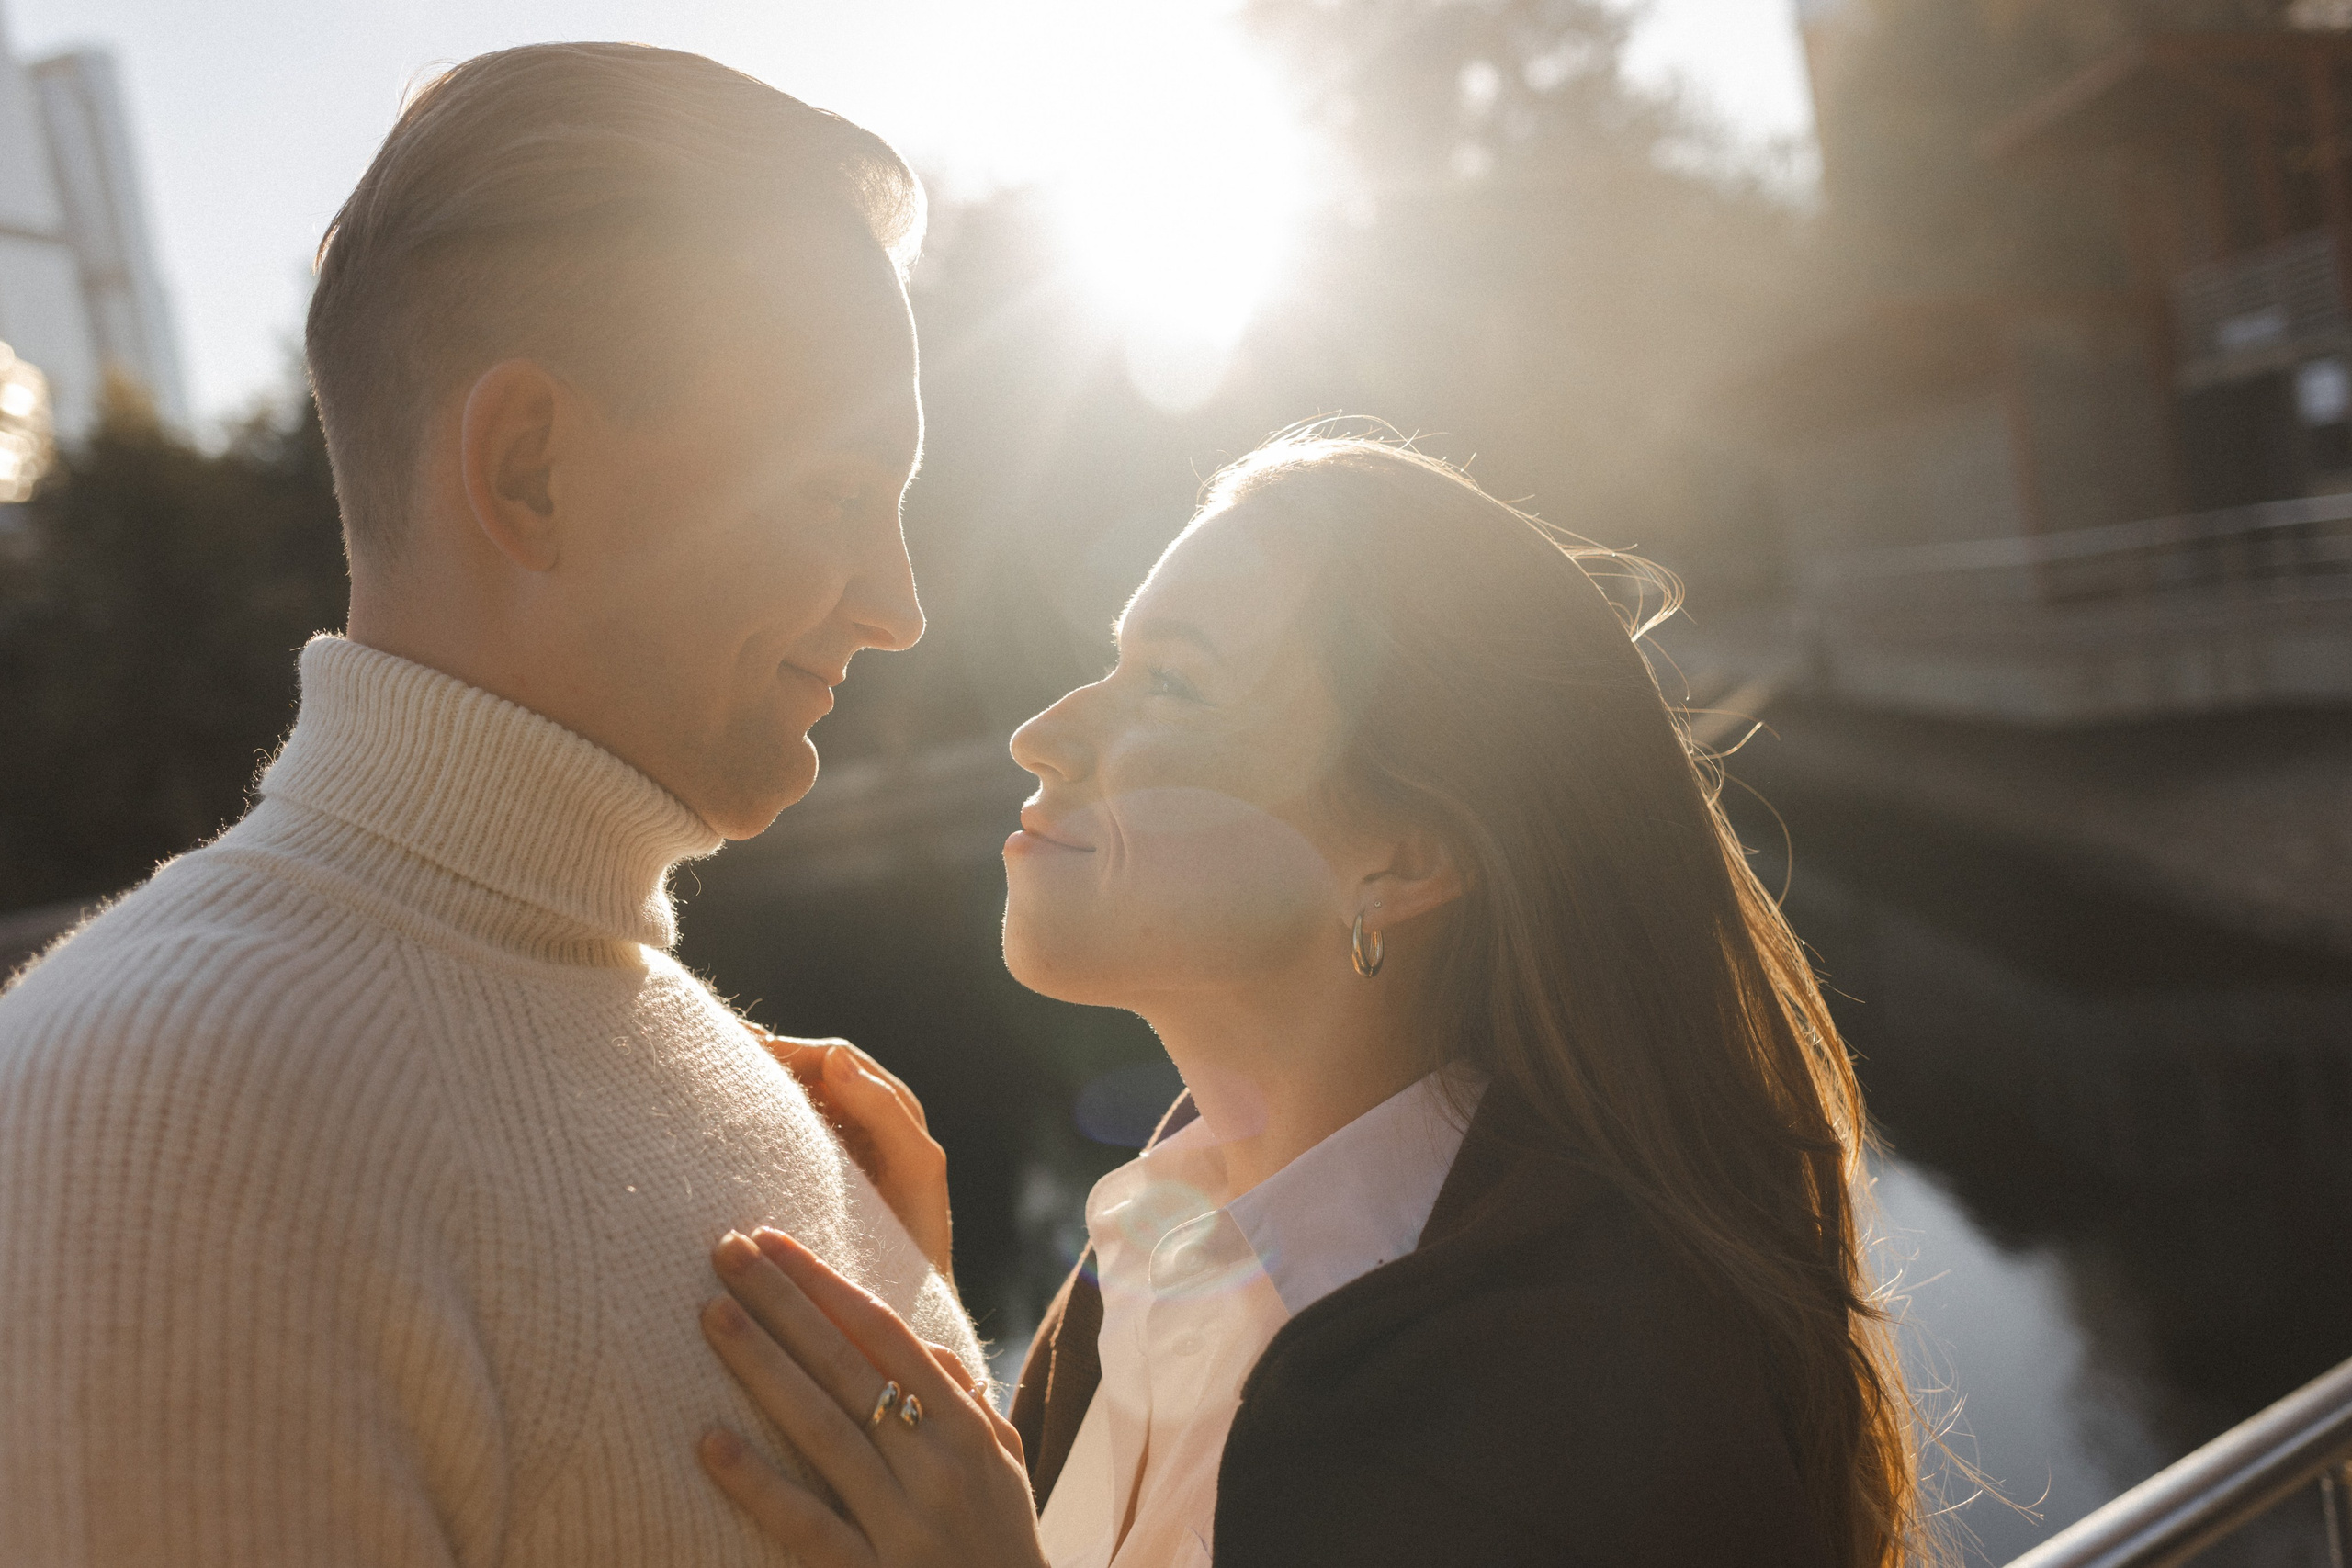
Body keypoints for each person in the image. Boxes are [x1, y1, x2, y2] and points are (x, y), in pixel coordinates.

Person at [0, 43, 982, 1565]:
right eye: (836, 492)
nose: (898, 606)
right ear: (529, 468)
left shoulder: (752, 1101)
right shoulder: (163, 1120)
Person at [685, 433, 1932, 1567]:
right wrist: (928, 1333)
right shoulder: (1159, 1251)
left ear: (1400, 857)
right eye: (1108, 666)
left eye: (1170, 684)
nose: (1043, 734)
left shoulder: (1570, 1427)